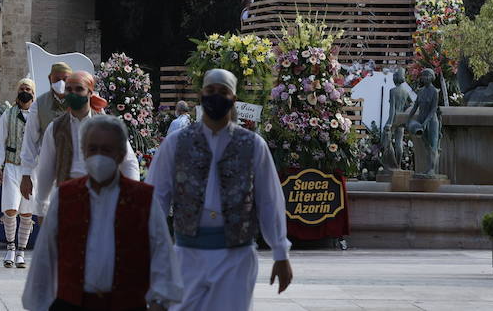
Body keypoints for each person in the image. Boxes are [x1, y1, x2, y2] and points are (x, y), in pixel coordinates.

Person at [148, 69, 293, 310]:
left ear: (233, 98)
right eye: (210, 91)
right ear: (201, 95)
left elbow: (269, 200)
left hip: (236, 257)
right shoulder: (176, 142)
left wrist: (281, 252)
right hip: (187, 254)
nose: (216, 96)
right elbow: (156, 199)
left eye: (223, 92)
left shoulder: (253, 144)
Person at [21, 115, 180, 311]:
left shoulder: (143, 199)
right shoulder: (65, 196)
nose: (98, 156)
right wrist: (39, 302)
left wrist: (160, 301)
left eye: (106, 150)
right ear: (84, 153)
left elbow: (161, 252)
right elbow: (45, 254)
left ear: (120, 154)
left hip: (126, 305)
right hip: (72, 304)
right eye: (93, 149)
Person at [25, 71, 139, 211]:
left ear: (90, 92)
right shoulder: (55, 128)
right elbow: (46, 169)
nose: (73, 93)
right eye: (69, 89)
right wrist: (42, 204)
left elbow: (128, 162)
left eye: (79, 89)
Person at [0, 77, 37, 268]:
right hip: (12, 165)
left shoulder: (39, 115)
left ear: (33, 93)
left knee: (27, 212)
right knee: (10, 209)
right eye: (22, 88)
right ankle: (10, 247)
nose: (24, 91)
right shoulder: (8, 115)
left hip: (32, 169)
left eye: (28, 88)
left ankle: (21, 251)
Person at [20, 62, 72, 180]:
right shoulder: (39, 104)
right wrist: (26, 174)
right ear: (50, 79)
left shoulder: (82, 101)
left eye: (65, 79)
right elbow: (30, 140)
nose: (61, 83)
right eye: (57, 79)